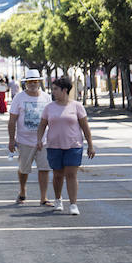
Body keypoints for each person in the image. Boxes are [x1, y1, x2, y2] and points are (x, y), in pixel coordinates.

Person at [36, 76, 95, 215]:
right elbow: (42, 125)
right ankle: (58, 200)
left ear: (64, 90)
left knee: (71, 174)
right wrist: (39, 139)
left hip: (73, 145)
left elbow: (85, 127)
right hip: (54, 146)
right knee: (57, 175)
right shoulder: (49, 107)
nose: (53, 92)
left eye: (55, 89)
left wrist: (90, 145)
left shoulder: (77, 106)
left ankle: (73, 204)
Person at [8, 69, 52, 206]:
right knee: (23, 169)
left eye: (35, 81)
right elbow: (12, 120)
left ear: (39, 82)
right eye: (29, 82)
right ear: (25, 83)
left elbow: (51, 118)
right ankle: (22, 191)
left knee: (44, 169)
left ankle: (43, 197)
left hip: (43, 140)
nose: (32, 84)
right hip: (24, 141)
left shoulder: (46, 97)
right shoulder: (19, 98)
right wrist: (11, 139)